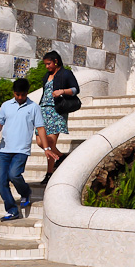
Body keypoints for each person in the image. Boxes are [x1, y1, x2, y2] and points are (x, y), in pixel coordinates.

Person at [0, 78, 58, 221]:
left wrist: (47, 148)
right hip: (5, 149)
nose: (20, 97)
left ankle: (25, 191)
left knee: (14, 174)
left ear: (27, 93)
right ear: (14, 93)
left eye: (23, 95)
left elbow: (40, 128)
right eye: (17, 95)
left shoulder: (34, 107)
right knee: (0, 181)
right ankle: (12, 210)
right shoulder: (6, 105)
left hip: (21, 149)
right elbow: (0, 121)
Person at [38, 51, 79, 185]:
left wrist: (62, 91)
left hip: (57, 110)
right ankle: (61, 157)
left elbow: (75, 89)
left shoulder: (66, 73)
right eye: (45, 64)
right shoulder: (46, 76)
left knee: (50, 143)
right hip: (43, 110)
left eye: (48, 64)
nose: (47, 67)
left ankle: (49, 173)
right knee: (40, 142)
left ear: (56, 61)